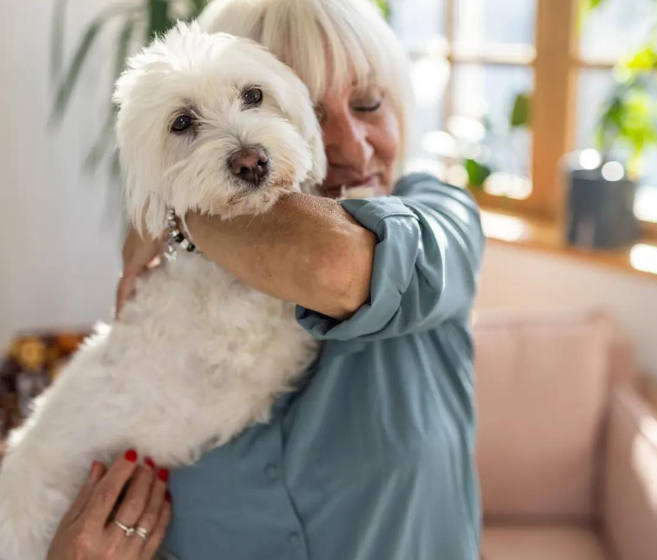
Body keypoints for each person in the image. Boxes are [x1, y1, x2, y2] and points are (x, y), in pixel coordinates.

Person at [46, 0, 484, 559]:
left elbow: (331, 263)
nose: (353, 146)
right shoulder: (169, 314)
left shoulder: (441, 220)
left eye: (369, 103)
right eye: (315, 114)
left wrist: (181, 211)